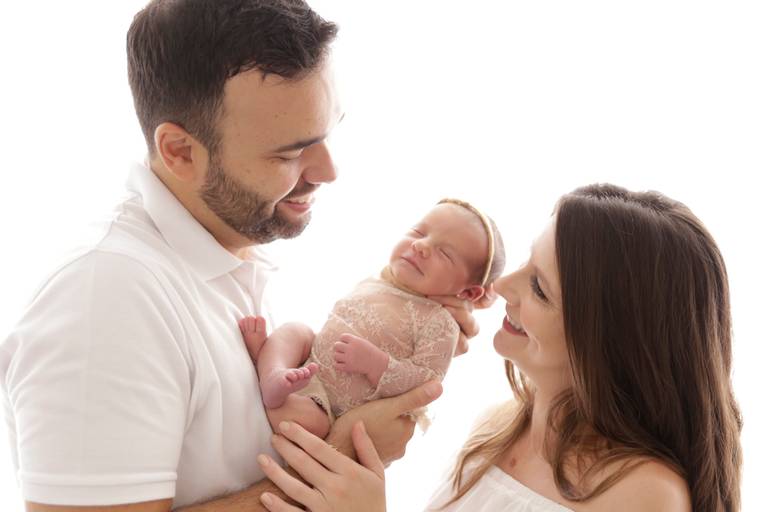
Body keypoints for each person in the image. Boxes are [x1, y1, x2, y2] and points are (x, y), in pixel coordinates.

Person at [0, 1, 479, 510]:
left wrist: (408, 322)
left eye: (327, 132)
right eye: (290, 152)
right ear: (181, 152)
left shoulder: (233, 250)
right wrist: (342, 456)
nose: (329, 170)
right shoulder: (105, 302)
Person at [255, 184, 743, 512]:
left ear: (610, 345)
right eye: (526, 262)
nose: (502, 286)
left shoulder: (645, 495)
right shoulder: (499, 431)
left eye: (540, 288)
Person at [239, 199, 506, 438]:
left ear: (469, 292)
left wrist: (376, 363)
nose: (421, 245)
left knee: (312, 424)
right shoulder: (378, 282)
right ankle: (272, 371)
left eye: (445, 253)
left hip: (330, 408)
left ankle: (269, 379)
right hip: (309, 365)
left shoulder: (440, 322)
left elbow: (426, 381)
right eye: (418, 232)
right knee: (297, 332)